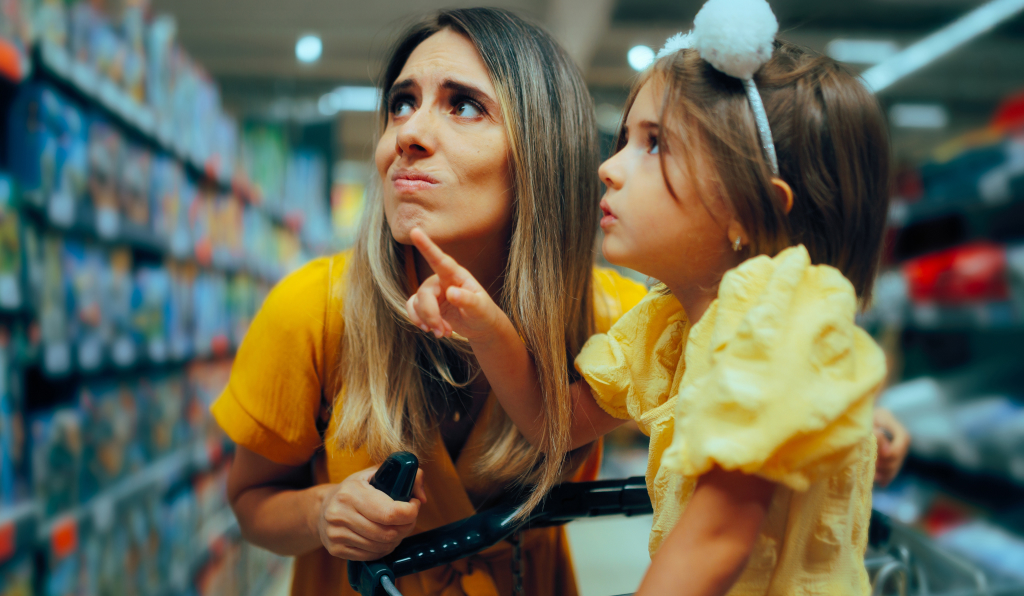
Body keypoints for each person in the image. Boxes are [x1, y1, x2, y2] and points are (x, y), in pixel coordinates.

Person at [404, 0, 901, 593]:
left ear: (751, 206)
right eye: (625, 139)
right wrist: (487, 326)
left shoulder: (775, 316)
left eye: (655, 144)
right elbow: (551, 423)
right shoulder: (672, 325)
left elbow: (717, 538)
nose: (609, 168)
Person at [212, 8, 650, 596]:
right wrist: (322, 512)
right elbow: (249, 503)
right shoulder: (314, 308)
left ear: (541, 154)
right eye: (401, 103)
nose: (406, 135)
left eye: (463, 104)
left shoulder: (613, 320)